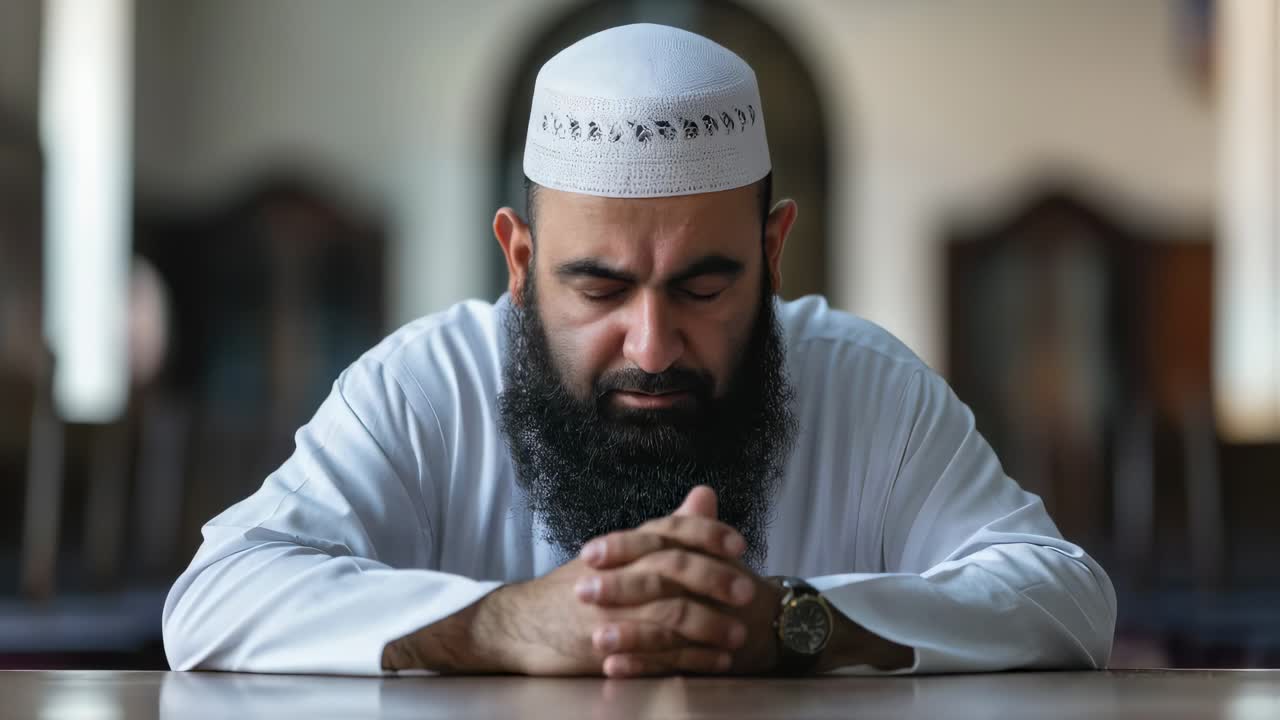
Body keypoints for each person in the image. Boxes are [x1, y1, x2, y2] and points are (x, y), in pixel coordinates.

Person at [163, 23, 1115, 678]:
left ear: (773, 252)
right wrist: (508, 623)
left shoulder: (869, 386)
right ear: (521, 260)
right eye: (600, 288)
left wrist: (794, 621)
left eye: (704, 287)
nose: (653, 347)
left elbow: (1068, 601)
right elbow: (212, 602)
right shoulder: (424, 385)